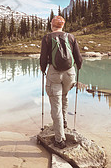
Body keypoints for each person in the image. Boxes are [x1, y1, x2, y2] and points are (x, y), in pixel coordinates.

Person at [40, 15, 83, 149]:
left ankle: (59, 140)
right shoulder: (71, 37)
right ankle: (64, 121)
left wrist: (43, 70)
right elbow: (79, 59)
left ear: (52, 25)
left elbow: (43, 58)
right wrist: (78, 68)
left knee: (56, 104)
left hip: (54, 73)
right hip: (70, 73)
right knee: (64, 96)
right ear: (63, 25)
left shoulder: (47, 38)